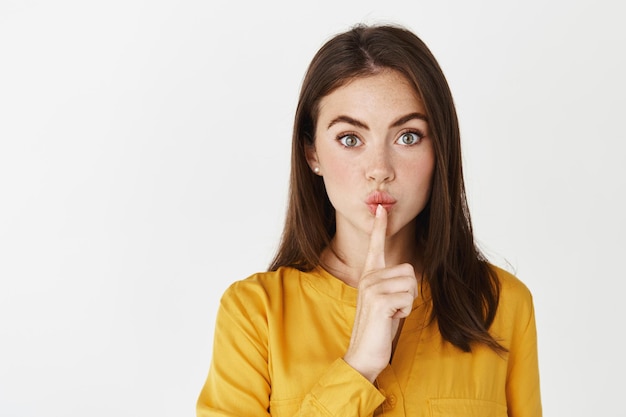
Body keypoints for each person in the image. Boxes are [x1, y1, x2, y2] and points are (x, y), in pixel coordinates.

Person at [196, 23, 542, 417]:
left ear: (440, 148)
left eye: (408, 136)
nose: (380, 169)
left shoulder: (502, 304)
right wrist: (357, 366)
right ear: (312, 154)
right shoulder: (253, 314)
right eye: (350, 138)